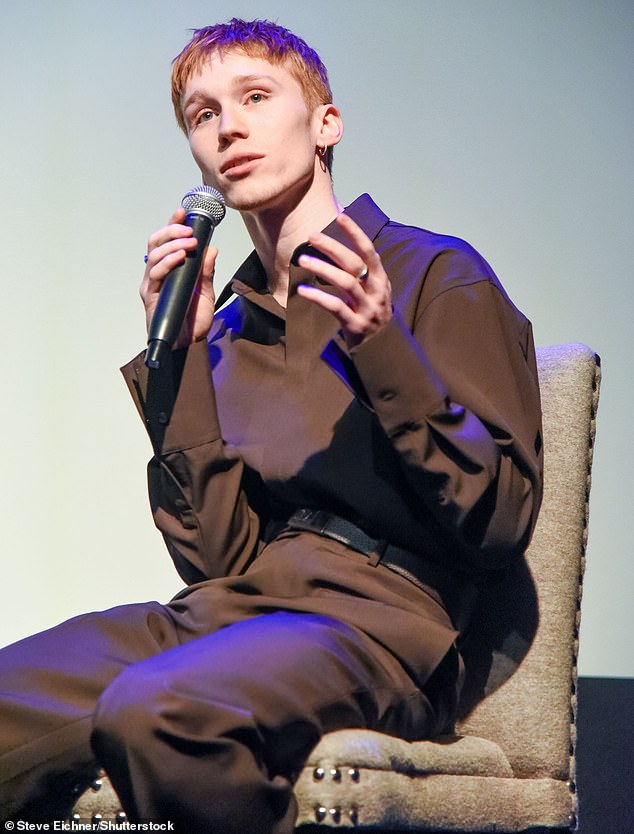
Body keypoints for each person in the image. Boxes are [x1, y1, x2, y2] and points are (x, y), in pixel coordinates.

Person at [0, 17, 543, 833]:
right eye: (203, 114)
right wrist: (178, 367)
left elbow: (499, 517)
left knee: (163, 710)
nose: (230, 128)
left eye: (256, 97)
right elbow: (218, 560)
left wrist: (378, 340)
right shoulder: (224, 327)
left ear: (325, 124)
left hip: (382, 626)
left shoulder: (433, 272)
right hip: (237, 613)